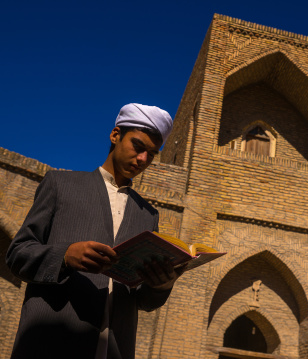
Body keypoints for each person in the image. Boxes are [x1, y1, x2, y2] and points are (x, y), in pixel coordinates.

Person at [6, 103, 181, 359]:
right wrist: (65, 256)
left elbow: (142, 301)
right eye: (138, 146)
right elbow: (17, 255)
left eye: (152, 154)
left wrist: (162, 285)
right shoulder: (60, 185)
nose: (143, 159)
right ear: (115, 135)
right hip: (50, 346)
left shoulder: (148, 215)